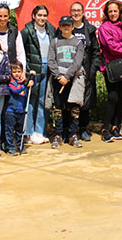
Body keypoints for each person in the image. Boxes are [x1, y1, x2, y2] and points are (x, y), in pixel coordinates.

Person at [46, 16, 86, 148]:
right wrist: (58, 76)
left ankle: (73, 134)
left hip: (73, 79)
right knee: (58, 108)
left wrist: (68, 76)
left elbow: (78, 61)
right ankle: (58, 134)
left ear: (72, 27)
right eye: (63, 25)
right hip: (58, 80)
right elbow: (51, 60)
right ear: (60, 26)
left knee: (74, 108)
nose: (66, 28)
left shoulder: (78, 43)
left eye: (68, 25)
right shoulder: (55, 42)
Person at [98, 0, 122, 142]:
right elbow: (111, 47)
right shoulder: (104, 28)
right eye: (110, 11)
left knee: (121, 98)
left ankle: (116, 126)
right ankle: (105, 128)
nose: (113, 13)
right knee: (112, 97)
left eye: (115, 11)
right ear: (107, 13)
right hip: (111, 67)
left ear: (120, 12)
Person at [21, 5, 55, 144]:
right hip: (33, 70)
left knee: (43, 100)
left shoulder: (51, 30)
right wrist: (27, 70)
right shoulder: (27, 31)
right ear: (34, 16)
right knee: (31, 100)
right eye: (39, 15)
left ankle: (39, 131)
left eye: (44, 15)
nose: (42, 18)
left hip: (48, 68)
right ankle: (28, 132)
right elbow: (22, 53)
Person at [67, 2, 101, 142]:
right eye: (73, 10)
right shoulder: (65, 28)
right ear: (70, 12)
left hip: (86, 71)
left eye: (78, 10)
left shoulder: (90, 29)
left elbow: (95, 52)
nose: (76, 13)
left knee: (85, 102)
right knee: (70, 101)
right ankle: (69, 130)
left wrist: (92, 70)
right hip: (69, 71)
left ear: (83, 12)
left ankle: (84, 128)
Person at [4, 62, 30, 155]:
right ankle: (10, 147)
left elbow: (32, 84)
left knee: (20, 130)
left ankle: (20, 145)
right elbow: (15, 90)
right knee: (9, 130)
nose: (17, 74)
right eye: (14, 72)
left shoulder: (24, 81)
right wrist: (25, 85)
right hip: (11, 110)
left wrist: (32, 78)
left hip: (21, 110)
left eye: (19, 71)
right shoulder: (10, 82)